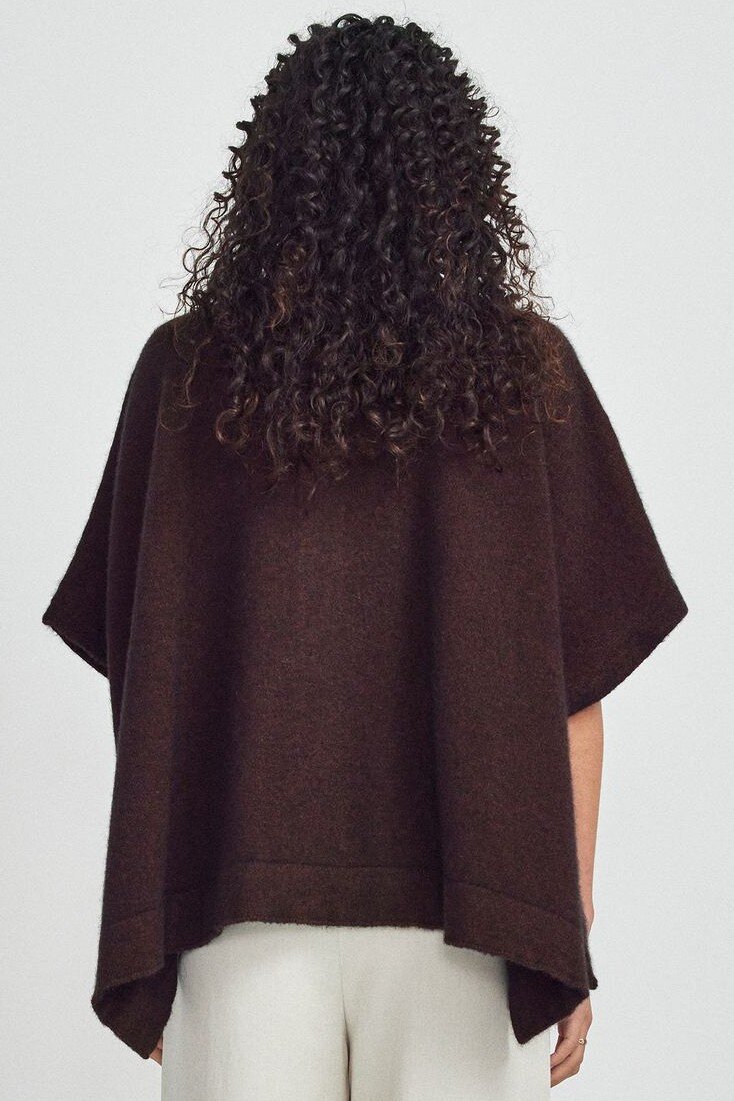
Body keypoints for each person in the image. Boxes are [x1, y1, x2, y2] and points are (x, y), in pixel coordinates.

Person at [41, 13, 688, 1099]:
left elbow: (146, 675)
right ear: (456, 178)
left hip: (234, 909)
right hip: (473, 912)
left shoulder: (185, 376)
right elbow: (575, 695)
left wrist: (159, 914)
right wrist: (564, 920)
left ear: (272, 175)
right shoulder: (524, 375)